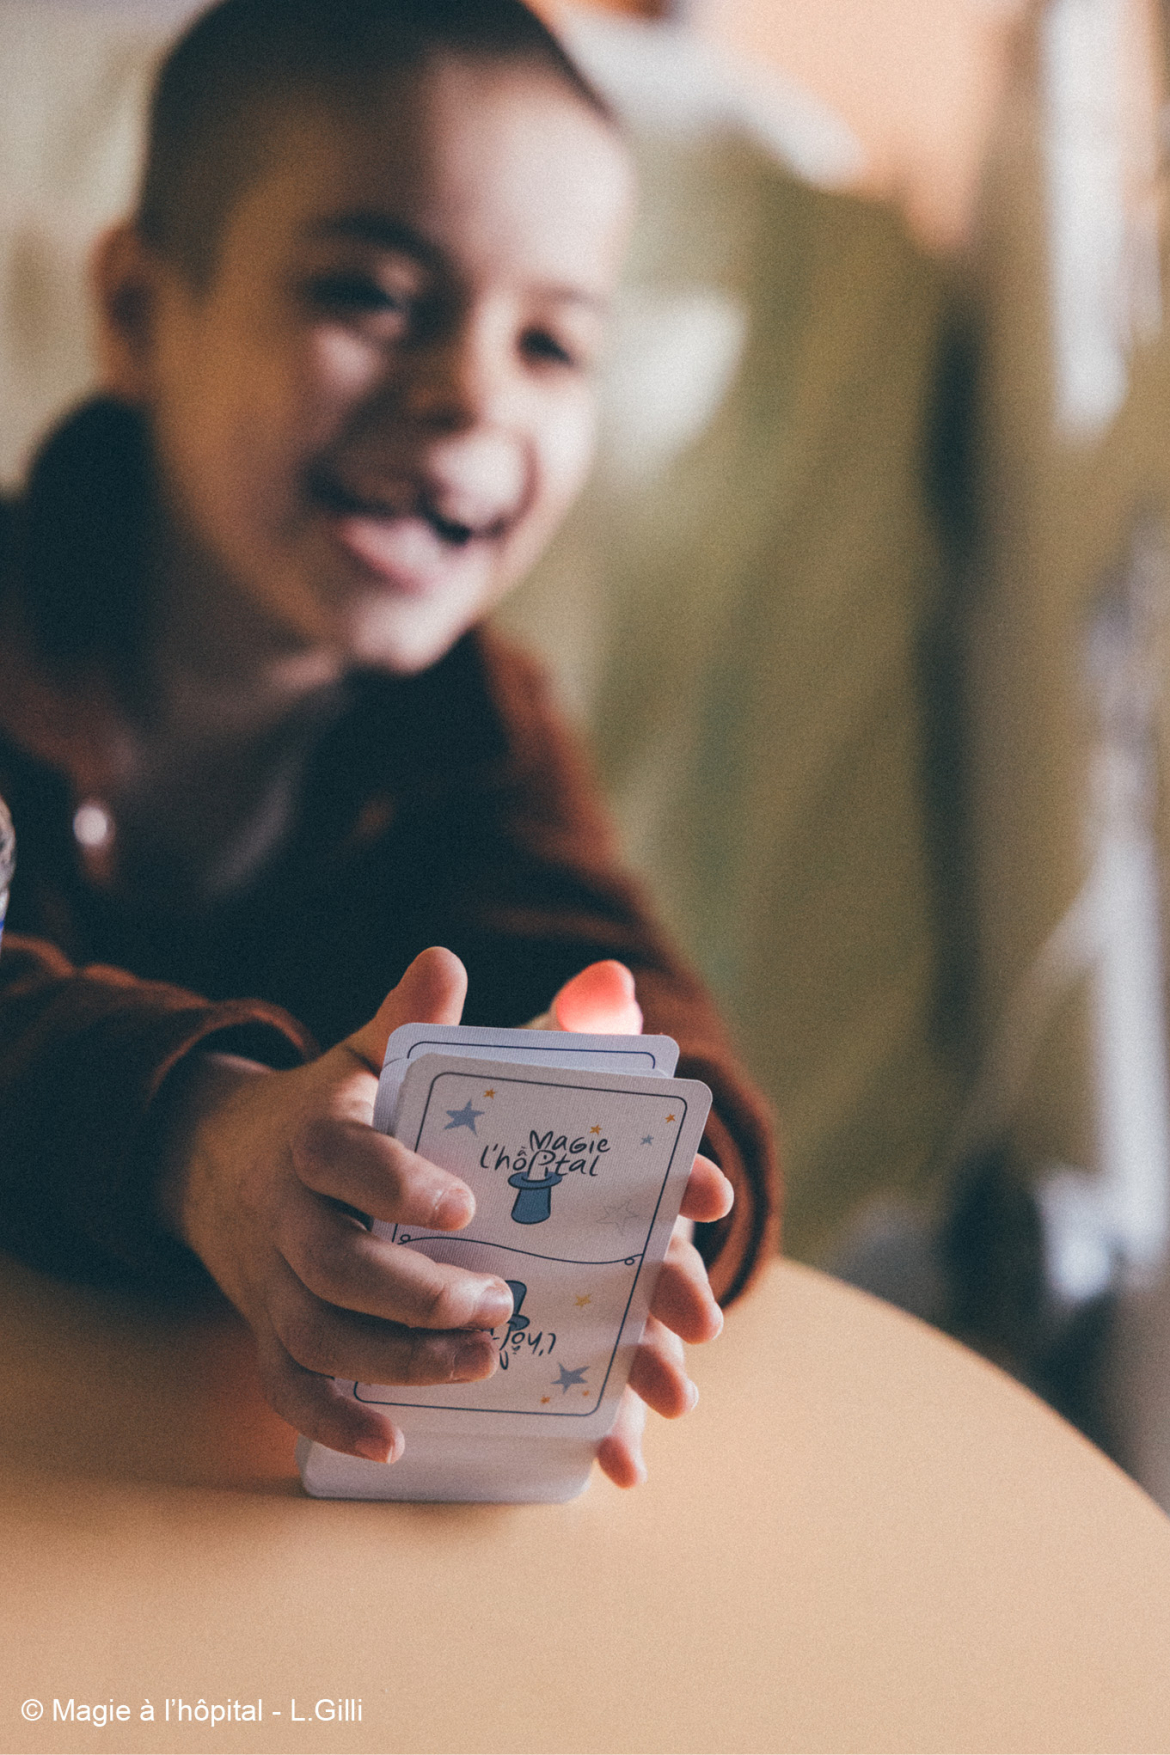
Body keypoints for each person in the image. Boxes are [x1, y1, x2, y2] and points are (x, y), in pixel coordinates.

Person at [0, 0, 778, 1488]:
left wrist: (643, 1177)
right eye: (370, 292)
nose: (470, 392)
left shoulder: (477, 737)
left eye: (550, 343)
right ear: (138, 311)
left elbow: (672, 1046)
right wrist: (198, 1135)